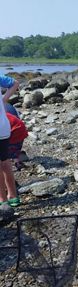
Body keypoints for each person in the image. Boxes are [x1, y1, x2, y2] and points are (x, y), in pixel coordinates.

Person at [0, 74, 21, 207]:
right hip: (3, 128)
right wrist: (4, 99)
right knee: (5, 162)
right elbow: (15, 83)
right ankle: (12, 196)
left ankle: (2, 199)